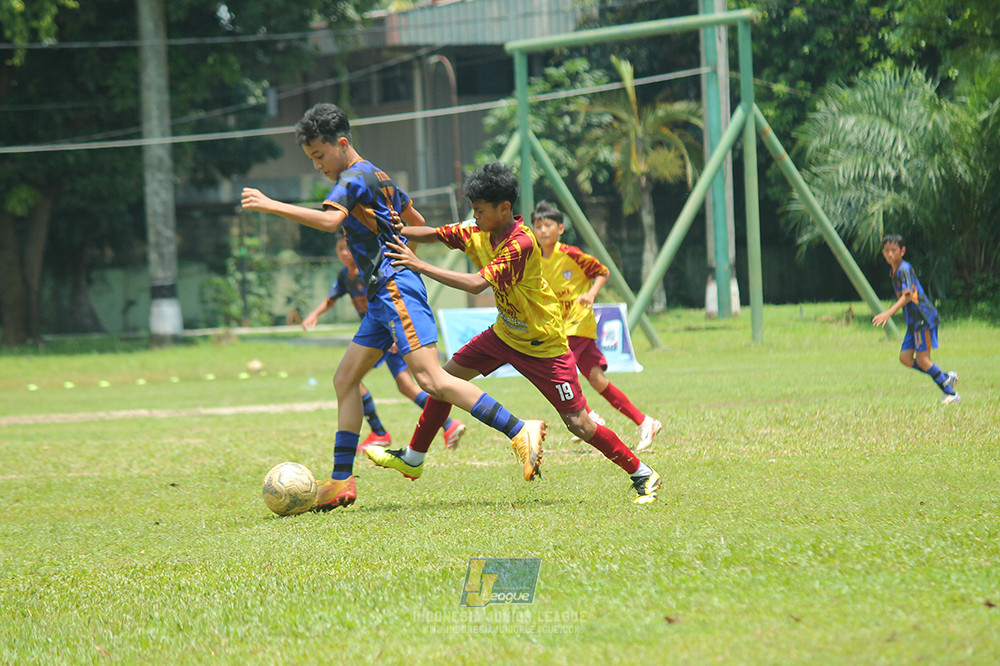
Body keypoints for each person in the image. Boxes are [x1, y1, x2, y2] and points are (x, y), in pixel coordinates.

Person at [241, 103, 545, 511]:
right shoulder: (377, 174)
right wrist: (400, 255)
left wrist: (269, 204)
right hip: (384, 295)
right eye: (311, 159)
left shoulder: (352, 179)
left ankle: (519, 428)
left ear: (341, 144)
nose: (317, 166)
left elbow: (332, 223)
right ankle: (341, 480)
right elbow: (411, 217)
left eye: (319, 156)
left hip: (392, 290)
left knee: (431, 380)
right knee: (345, 378)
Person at [369, 161, 662, 504]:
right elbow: (433, 233)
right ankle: (414, 458)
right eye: (473, 210)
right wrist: (391, 230)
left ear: (504, 208)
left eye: (480, 210)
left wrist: (418, 265)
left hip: (544, 345)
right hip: (504, 335)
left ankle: (643, 473)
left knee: (578, 423)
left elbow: (478, 284)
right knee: (441, 383)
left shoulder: (521, 244)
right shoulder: (474, 230)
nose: (474, 216)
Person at [301, 233, 467, 452]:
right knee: (403, 386)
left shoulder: (366, 272)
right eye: (340, 249)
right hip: (378, 334)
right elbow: (331, 299)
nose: (343, 253)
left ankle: (381, 432)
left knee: (353, 380)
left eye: (347, 248)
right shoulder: (345, 276)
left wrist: (394, 332)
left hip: (388, 333)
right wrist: (314, 314)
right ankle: (446, 424)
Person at [531, 201, 662, 451]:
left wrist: (591, 294)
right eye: (538, 226)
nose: (543, 230)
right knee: (596, 380)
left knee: (559, 367)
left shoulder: (570, 253)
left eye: (548, 225)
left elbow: (602, 272)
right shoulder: (536, 259)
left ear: (560, 229)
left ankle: (590, 416)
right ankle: (645, 421)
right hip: (560, 325)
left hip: (577, 323)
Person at [872, 234, 960, 404]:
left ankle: (951, 394)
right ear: (883, 252)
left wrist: (887, 313)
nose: (890, 254)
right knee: (905, 358)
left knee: (922, 359)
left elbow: (908, 296)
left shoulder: (904, 269)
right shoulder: (894, 271)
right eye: (887, 250)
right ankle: (944, 377)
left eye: (894, 250)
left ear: (902, 251)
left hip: (922, 317)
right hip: (914, 320)